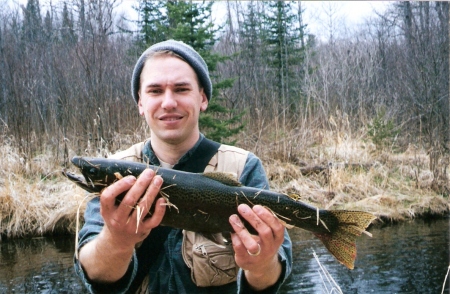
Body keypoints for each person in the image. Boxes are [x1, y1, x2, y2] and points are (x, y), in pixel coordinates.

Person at [74, 39, 293, 293]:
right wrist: (116, 242)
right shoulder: (116, 171)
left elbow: (274, 275)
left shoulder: (244, 166)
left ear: (202, 98)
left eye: (181, 89)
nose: (168, 102)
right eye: (155, 91)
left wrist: (262, 265)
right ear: (140, 103)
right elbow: (92, 272)